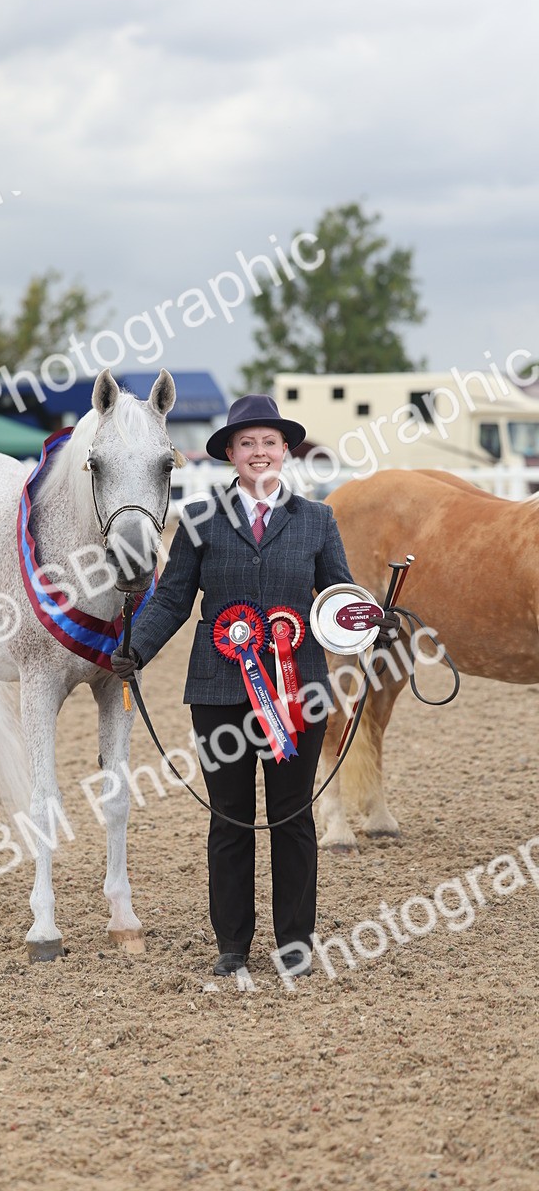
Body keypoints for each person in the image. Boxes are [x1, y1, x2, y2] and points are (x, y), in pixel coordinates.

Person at [111, 394, 397, 979]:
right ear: (231, 455)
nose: (259, 452)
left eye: (269, 442)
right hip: (218, 691)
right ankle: (233, 944)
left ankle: (295, 941)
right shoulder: (197, 519)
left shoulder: (317, 520)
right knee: (229, 818)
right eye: (247, 444)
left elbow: (336, 594)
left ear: (285, 451)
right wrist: (135, 646)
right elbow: (172, 597)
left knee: (293, 818)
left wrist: (369, 619)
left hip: (300, 693)